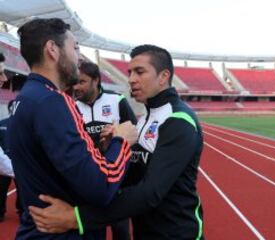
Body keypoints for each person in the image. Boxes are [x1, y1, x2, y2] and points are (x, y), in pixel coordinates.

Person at [29, 44, 205, 240]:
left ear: (163, 76)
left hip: (176, 233)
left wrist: (76, 217)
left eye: (139, 72)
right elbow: (135, 175)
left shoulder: (178, 120)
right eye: (130, 73)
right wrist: (112, 149)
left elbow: (150, 193)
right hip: (145, 230)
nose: (131, 80)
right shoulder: (146, 118)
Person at [6, 18, 137, 239]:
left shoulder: (25, 98)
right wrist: (121, 142)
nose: (79, 57)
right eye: (75, 48)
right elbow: (101, 186)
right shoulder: (53, 101)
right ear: (52, 50)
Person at [74, 61, 137, 240]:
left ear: (96, 80)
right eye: (75, 82)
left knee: (121, 230)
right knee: (91, 230)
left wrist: (115, 140)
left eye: (82, 82)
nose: (76, 87)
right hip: (88, 179)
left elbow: (133, 133)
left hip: (117, 179)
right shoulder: (73, 106)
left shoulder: (117, 100)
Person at [0, 100, 23, 222]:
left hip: (19, 161)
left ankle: (22, 211)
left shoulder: (23, 126)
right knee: (1, 189)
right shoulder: (1, 124)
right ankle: (0, 212)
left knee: (22, 189)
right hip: (3, 163)